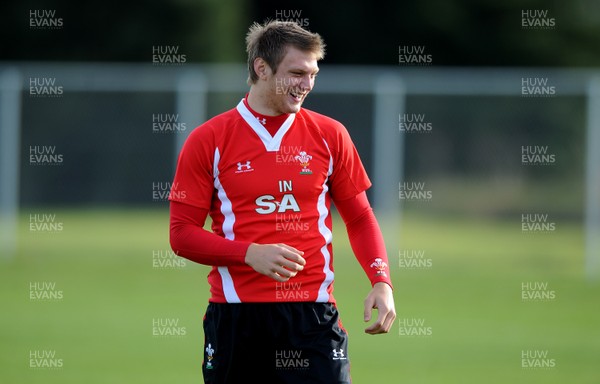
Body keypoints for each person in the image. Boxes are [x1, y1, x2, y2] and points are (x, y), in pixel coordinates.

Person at [169, 20, 395, 383]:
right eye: (296, 73)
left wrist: (381, 281)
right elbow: (181, 235)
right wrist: (249, 253)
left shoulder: (330, 135)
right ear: (262, 68)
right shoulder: (208, 140)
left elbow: (360, 217)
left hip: (313, 318)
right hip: (236, 318)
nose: (307, 85)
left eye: (313, 74)